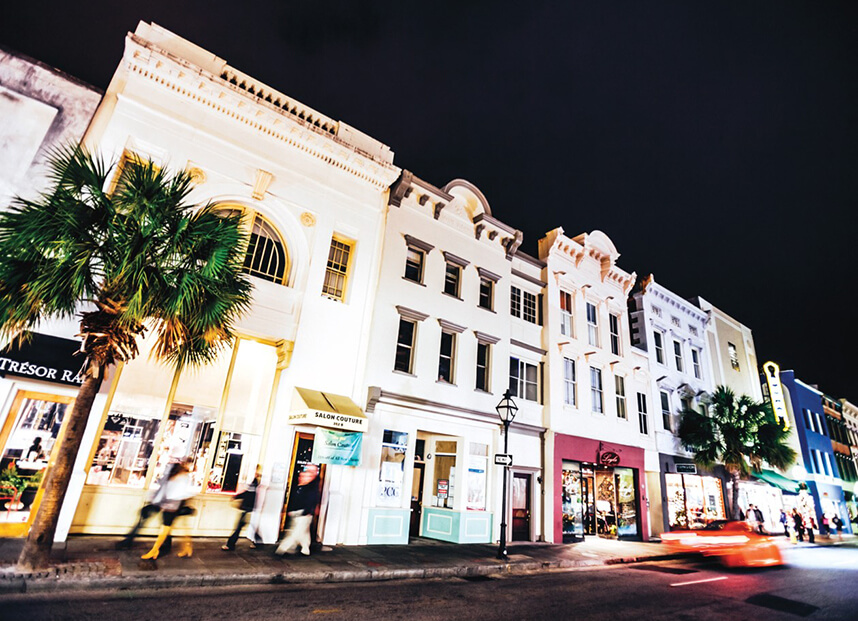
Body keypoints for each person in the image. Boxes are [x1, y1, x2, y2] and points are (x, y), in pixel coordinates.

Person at [115, 461, 177, 551]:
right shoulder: (169, 479)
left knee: (161, 525)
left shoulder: (171, 480)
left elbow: (166, 493)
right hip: (159, 504)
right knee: (162, 525)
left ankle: (129, 541)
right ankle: (166, 544)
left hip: (161, 504)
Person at [141, 459, 195, 560]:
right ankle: (187, 548)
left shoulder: (180, 476)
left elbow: (174, 492)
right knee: (179, 527)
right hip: (173, 505)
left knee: (166, 529)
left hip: (172, 506)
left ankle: (155, 550)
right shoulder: (183, 476)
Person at [275, 464, 320, 557]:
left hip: (304, 514)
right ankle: (305, 549)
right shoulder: (301, 487)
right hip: (299, 513)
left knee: (295, 533)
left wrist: (306, 512)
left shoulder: (310, 489)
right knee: (304, 532)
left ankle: (283, 548)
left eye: (304, 476)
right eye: (301, 476)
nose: (301, 477)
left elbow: (311, 501)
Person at [222, 467, 262, 551]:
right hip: (249, 508)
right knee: (250, 525)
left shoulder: (255, 483)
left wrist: (236, 497)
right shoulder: (255, 483)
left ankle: (230, 544)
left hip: (247, 508)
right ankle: (258, 542)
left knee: (239, 526)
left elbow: (248, 494)